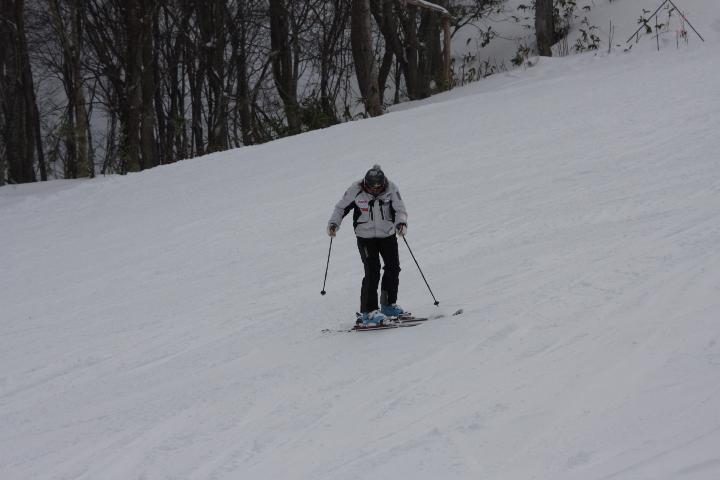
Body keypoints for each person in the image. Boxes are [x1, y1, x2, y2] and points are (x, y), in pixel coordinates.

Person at [327, 165, 408, 326]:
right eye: (372, 187)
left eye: (379, 187)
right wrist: (334, 224)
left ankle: (388, 305)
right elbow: (340, 208)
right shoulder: (355, 189)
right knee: (372, 271)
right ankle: (368, 312)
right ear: (366, 183)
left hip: (387, 235)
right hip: (365, 237)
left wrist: (401, 223)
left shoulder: (391, 188)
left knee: (393, 268)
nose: (375, 190)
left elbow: (400, 209)